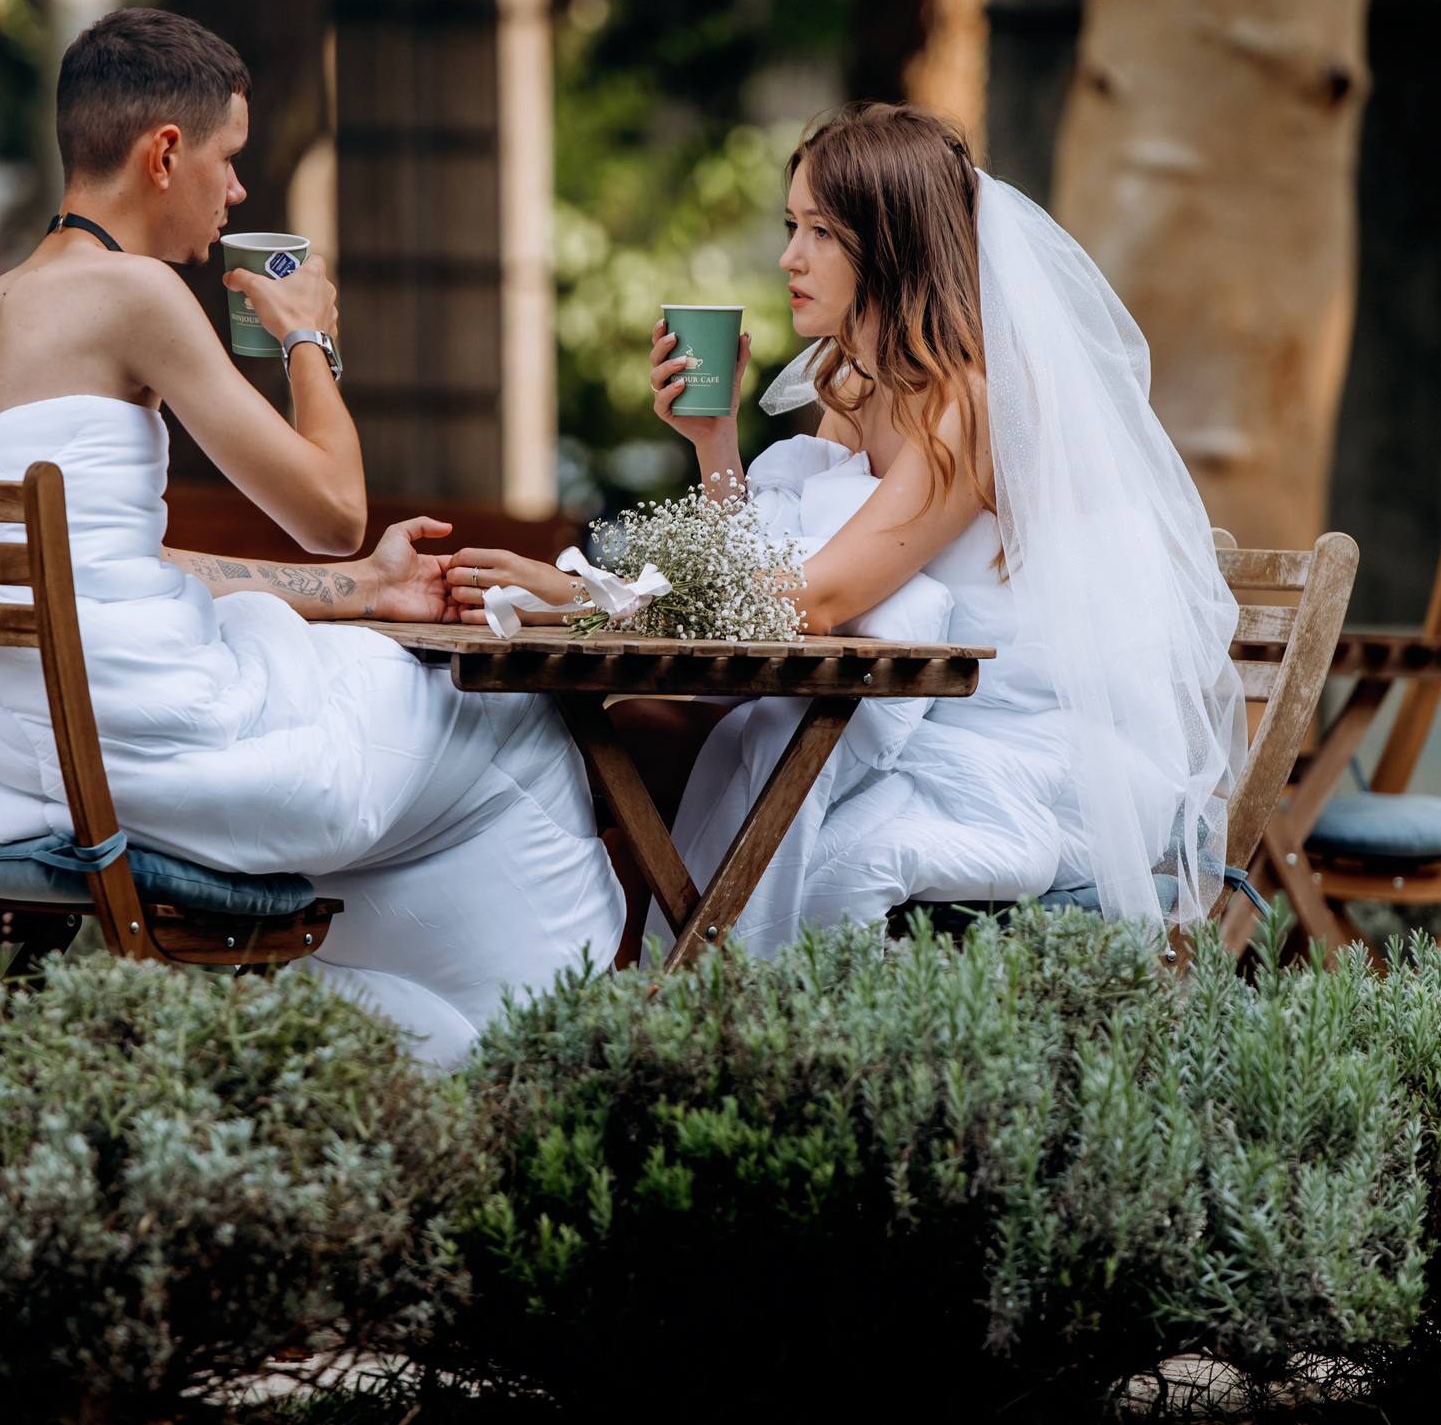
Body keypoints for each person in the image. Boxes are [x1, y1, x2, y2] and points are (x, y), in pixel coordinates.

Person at [0, 8, 623, 1062]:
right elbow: (330, 506)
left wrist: (362, 588)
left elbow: (97, 574)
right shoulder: (137, 293)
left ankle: (372, 1038)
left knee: (351, 656)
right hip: (125, 763)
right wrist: (308, 337)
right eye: (230, 160)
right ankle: (519, 1053)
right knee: (505, 715)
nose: (239, 193)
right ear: (165, 152)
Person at [448, 104, 1246, 948]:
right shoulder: (857, 392)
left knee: (760, 816)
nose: (791, 257)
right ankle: (612, 1006)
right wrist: (712, 439)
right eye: (792, 225)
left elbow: (814, 603)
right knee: (611, 738)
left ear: (891, 245)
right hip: (881, 714)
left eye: (822, 233)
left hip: (993, 740)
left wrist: (585, 597)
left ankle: (712, 1012)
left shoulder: (971, 407)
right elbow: (772, 577)